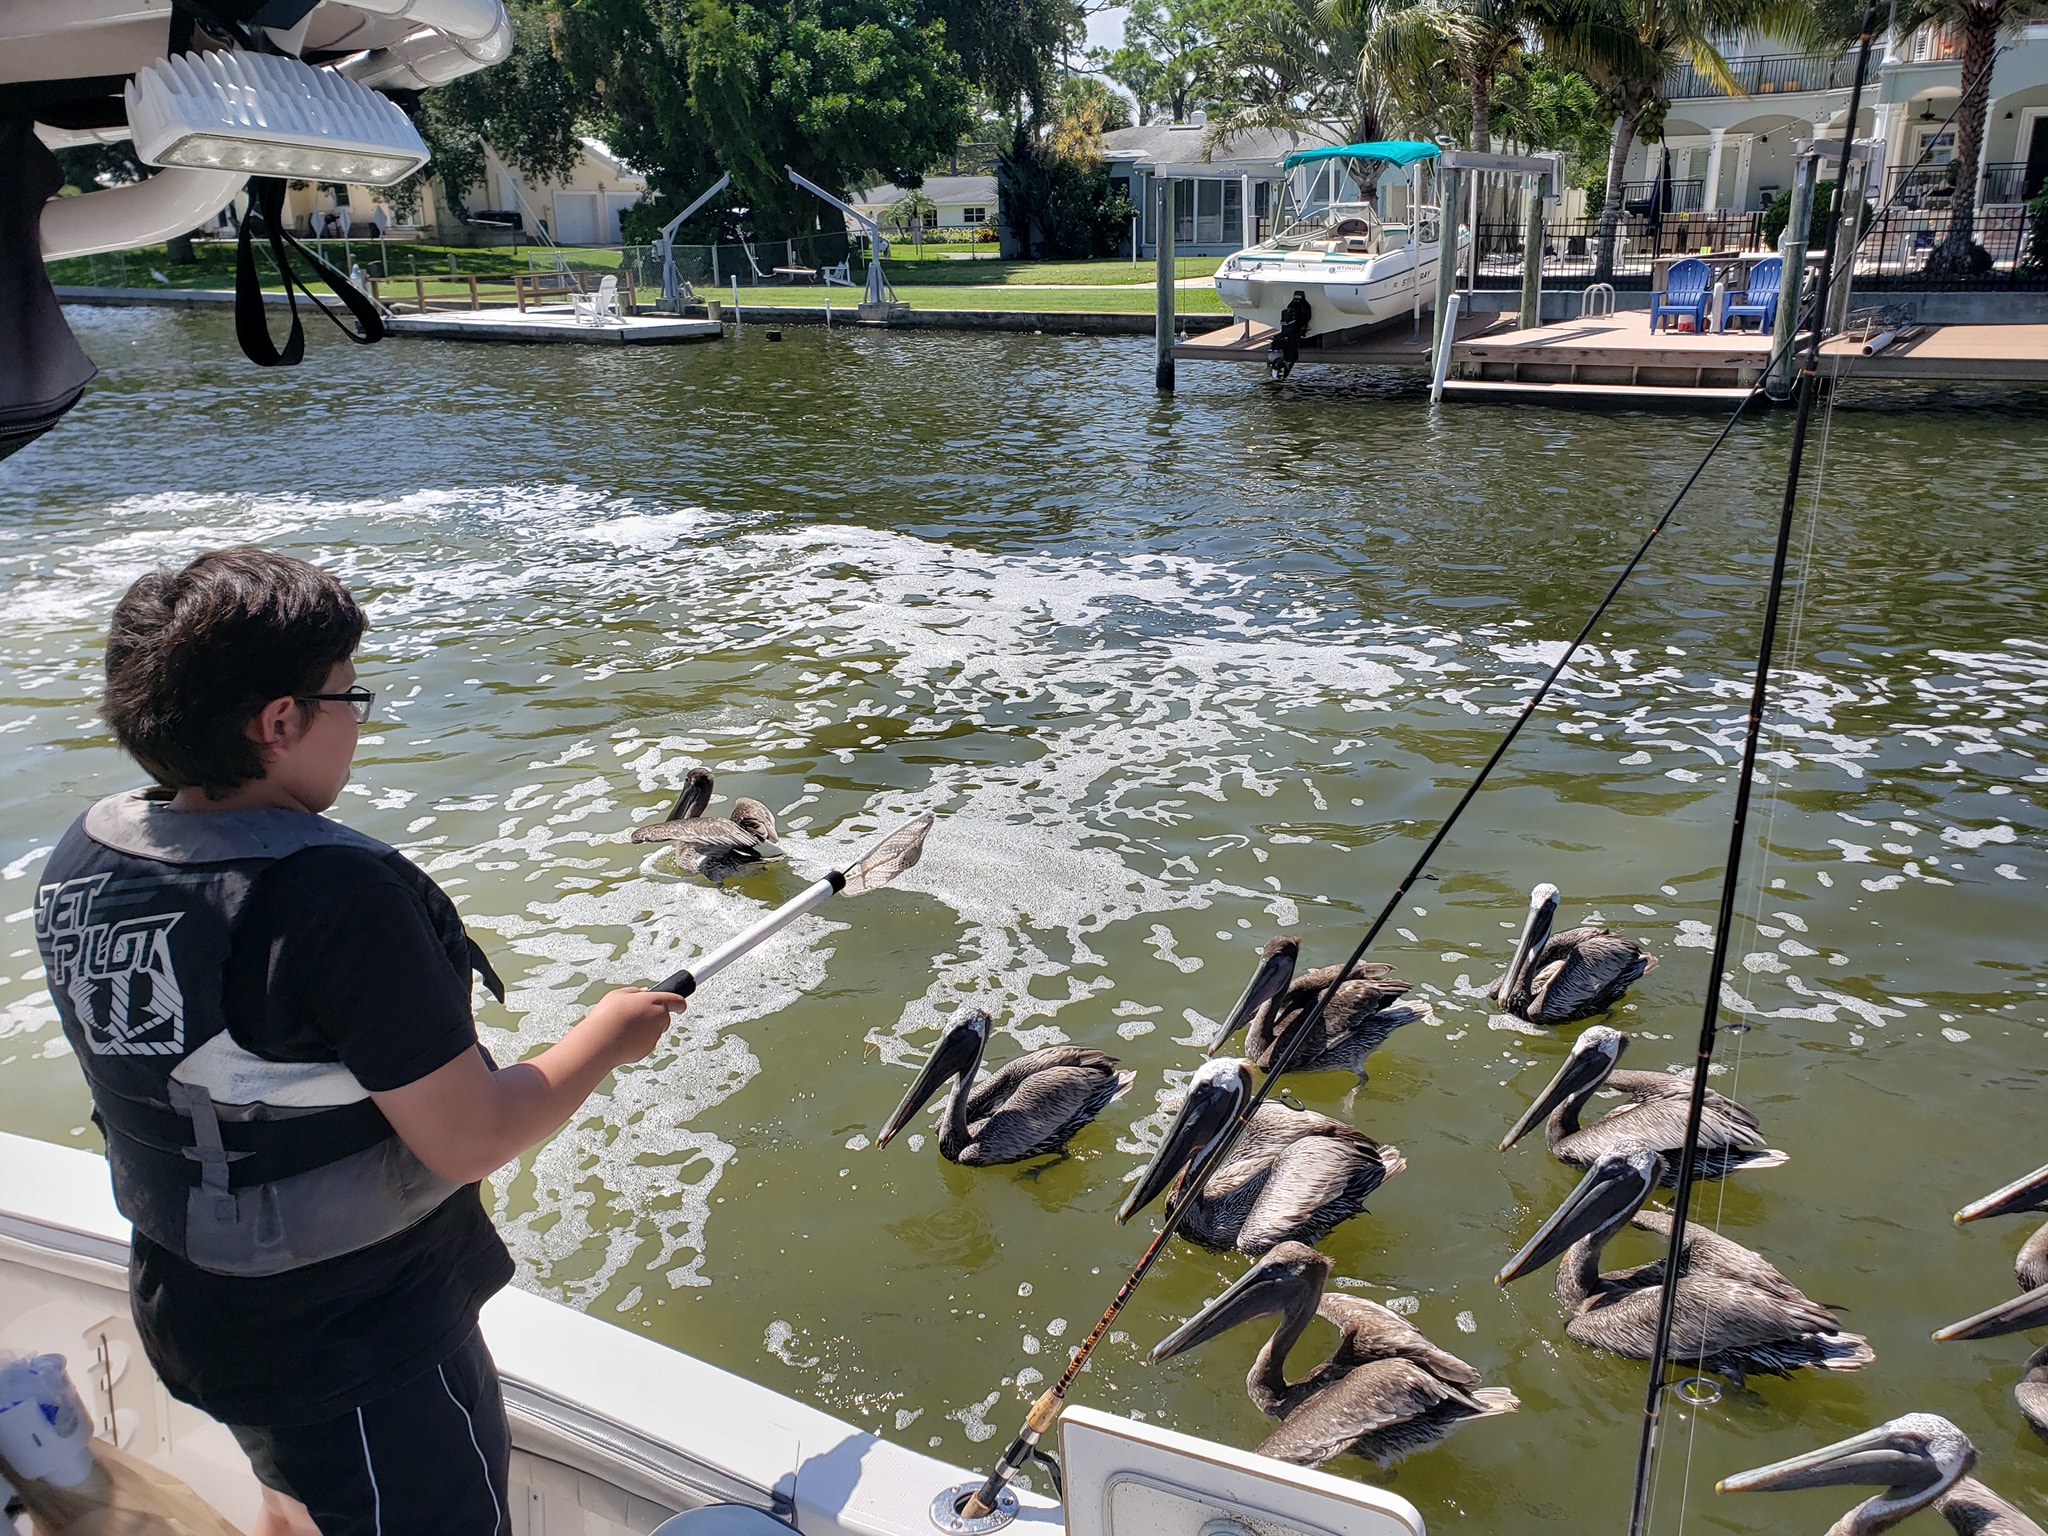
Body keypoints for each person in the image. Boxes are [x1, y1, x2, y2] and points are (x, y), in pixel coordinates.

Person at [33, 547, 686, 1536]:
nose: (357, 721)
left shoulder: (89, 849)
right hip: (347, 1340)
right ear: (280, 720)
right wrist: (604, 1034)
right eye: (349, 695)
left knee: (297, 1504)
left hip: (198, 1304)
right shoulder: (337, 898)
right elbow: (466, 1138)